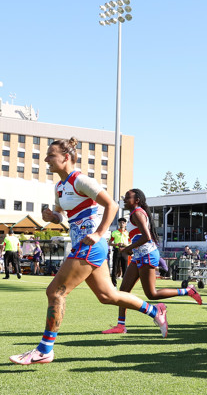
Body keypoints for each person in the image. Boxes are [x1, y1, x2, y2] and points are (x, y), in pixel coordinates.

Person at [10, 138, 168, 365]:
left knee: (55, 292)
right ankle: (155, 311)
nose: (46, 159)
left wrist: (99, 232)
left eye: (50, 155)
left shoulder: (80, 180)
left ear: (66, 157)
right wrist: (51, 217)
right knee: (108, 296)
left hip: (91, 245)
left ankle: (45, 350)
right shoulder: (59, 187)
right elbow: (61, 216)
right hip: (83, 245)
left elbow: (111, 205)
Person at [102, 189, 203, 336]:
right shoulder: (135, 213)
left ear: (137, 200)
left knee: (152, 294)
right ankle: (121, 325)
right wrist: (132, 249)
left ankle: (188, 291)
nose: (124, 199)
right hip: (139, 256)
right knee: (123, 291)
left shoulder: (137, 213)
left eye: (127, 197)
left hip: (147, 256)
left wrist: (128, 248)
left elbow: (146, 237)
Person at [109, 217, 129, 287]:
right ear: (118, 223)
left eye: (123, 222)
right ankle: (113, 284)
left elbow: (131, 242)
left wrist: (126, 245)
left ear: (126, 224)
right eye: (120, 222)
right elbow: (110, 242)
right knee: (115, 267)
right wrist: (117, 244)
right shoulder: (114, 232)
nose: (122, 224)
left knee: (125, 268)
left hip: (125, 251)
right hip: (117, 250)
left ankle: (125, 283)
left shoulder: (128, 233)